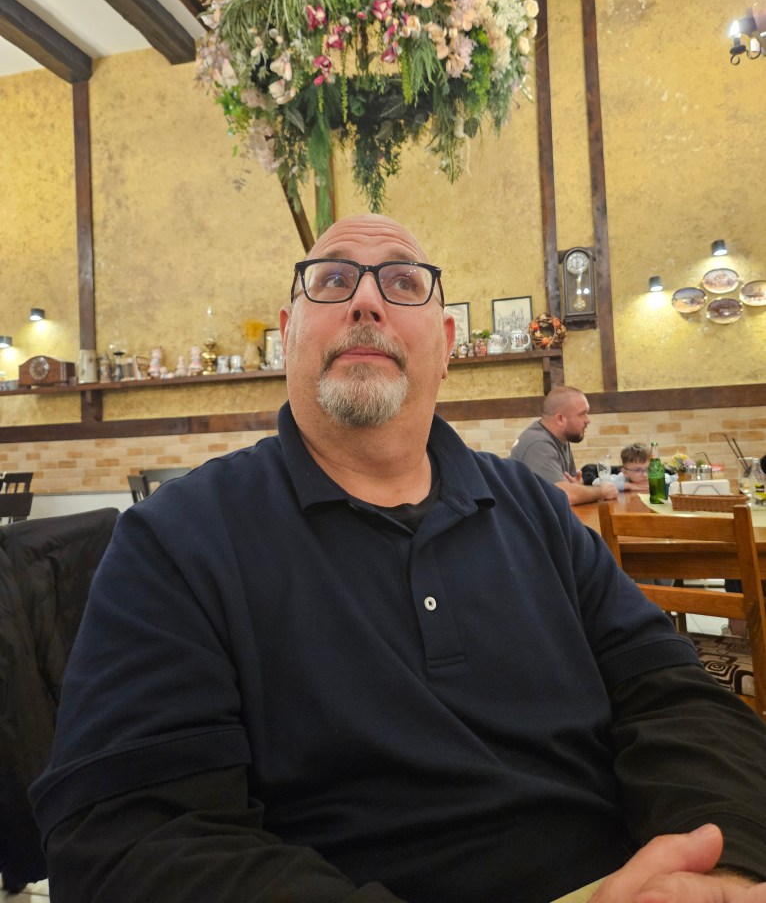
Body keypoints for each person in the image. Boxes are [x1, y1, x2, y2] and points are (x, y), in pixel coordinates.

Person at [31, 215, 766, 903]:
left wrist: (722, 864)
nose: (366, 302)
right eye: (332, 280)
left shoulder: (534, 510)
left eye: (404, 282)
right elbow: (128, 838)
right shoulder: (176, 538)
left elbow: (672, 696)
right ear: (289, 335)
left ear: (445, 346)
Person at [510, 386, 619, 505]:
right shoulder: (537, 443)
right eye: (582, 414)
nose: (588, 420)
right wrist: (602, 491)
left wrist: (578, 488)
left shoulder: (560, 438)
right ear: (560, 419)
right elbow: (564, 496)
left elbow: (567, 488)